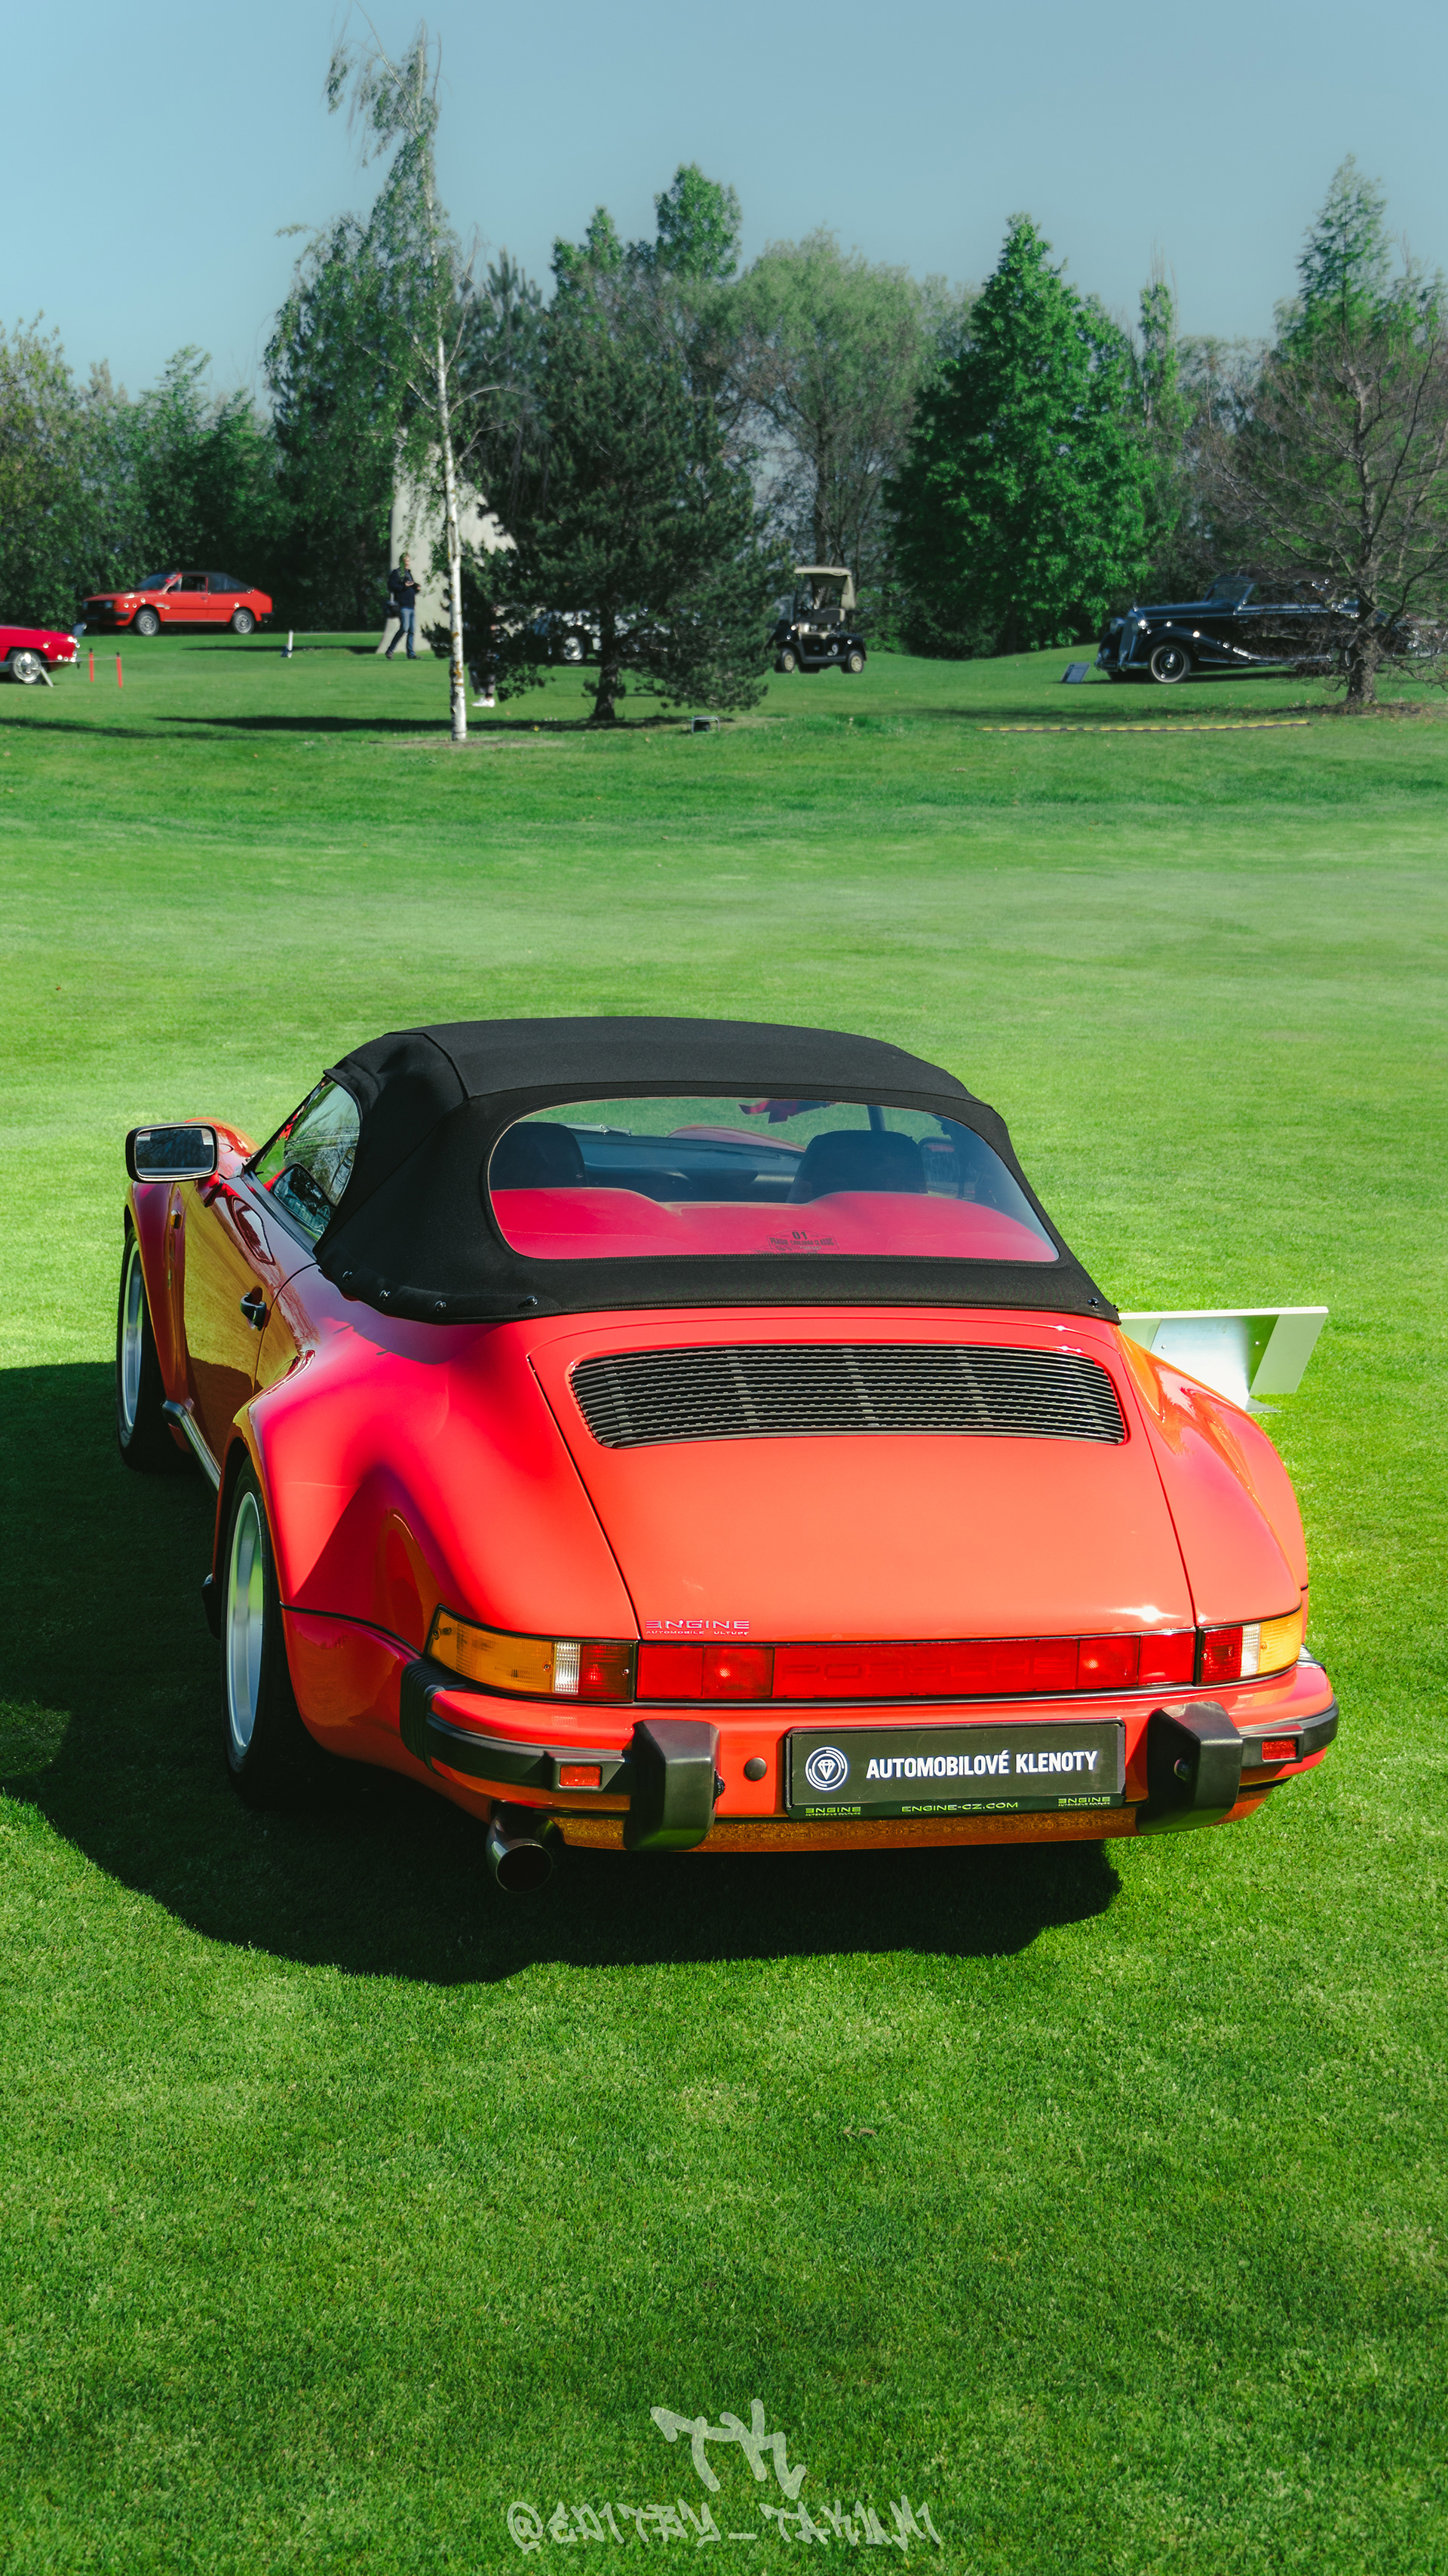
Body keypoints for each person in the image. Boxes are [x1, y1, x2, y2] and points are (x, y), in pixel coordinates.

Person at [385, 556, 420, 659]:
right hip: (403, 605)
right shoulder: (397, 573)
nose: (407, 563)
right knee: (404, 628)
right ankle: (390, 650)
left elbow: (410, 586)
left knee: (412, 630)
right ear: (401, 561)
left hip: (411, 606)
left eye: (408, 561)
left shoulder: (408, 573)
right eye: (405, 561)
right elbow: (392, 586)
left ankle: (411, 654)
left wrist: (416, 588)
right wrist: (404, 586)